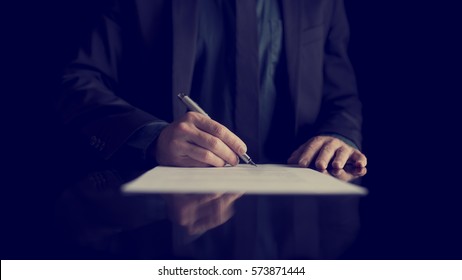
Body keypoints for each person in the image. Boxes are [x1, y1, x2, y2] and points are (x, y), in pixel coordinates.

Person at [57, 0, 367, 170]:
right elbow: (76, 82)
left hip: (297, 224)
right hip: (165, 226)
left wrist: (339, 135)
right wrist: (152, 138)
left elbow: (342, 96)